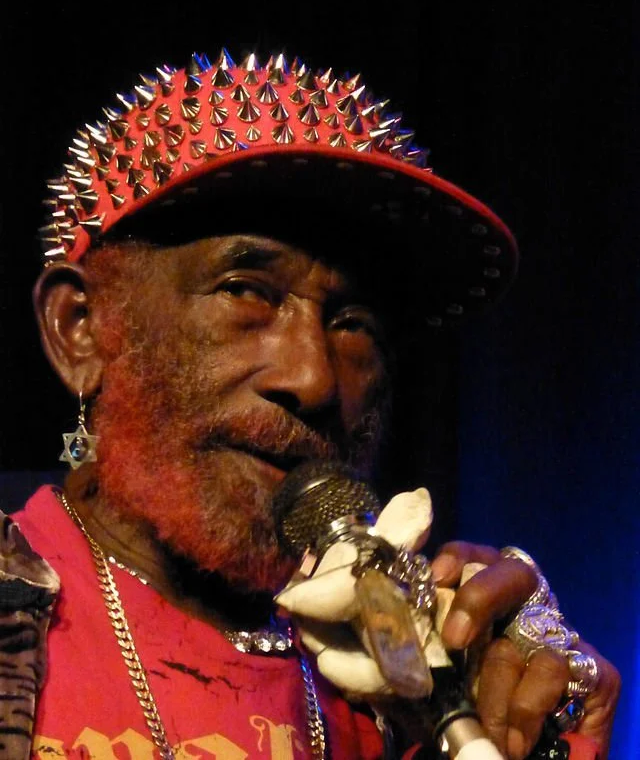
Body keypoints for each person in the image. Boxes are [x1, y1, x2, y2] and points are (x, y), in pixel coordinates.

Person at [3, 50, 619, 760]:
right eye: (246, 291)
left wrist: (534, 728)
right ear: (82, 330)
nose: (315, 378)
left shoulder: (402, 691)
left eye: (354, 324)